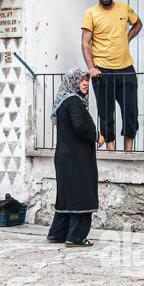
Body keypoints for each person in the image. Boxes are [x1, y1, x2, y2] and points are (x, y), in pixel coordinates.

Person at [82, 0, 142, 152]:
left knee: (131, 112)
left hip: (126, 69)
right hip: (102, 71)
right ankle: (111, 151)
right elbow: (86, 42)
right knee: (106, 114)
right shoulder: (91, 13)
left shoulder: (124, 8)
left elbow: (138, 24)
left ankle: (128, 152)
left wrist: (127, 39)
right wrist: (91, 68)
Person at [46, 68, 99, 247]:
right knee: (82, 195)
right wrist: (96, 135)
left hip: (64, 157)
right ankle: (76, 237)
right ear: (72, 81)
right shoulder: (74, 101)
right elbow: (79, 126)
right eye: (81, 80)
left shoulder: (62, 101)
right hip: (76, 158)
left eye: (86, 80)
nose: (85, 83)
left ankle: (57, 233)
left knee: (67, 196)